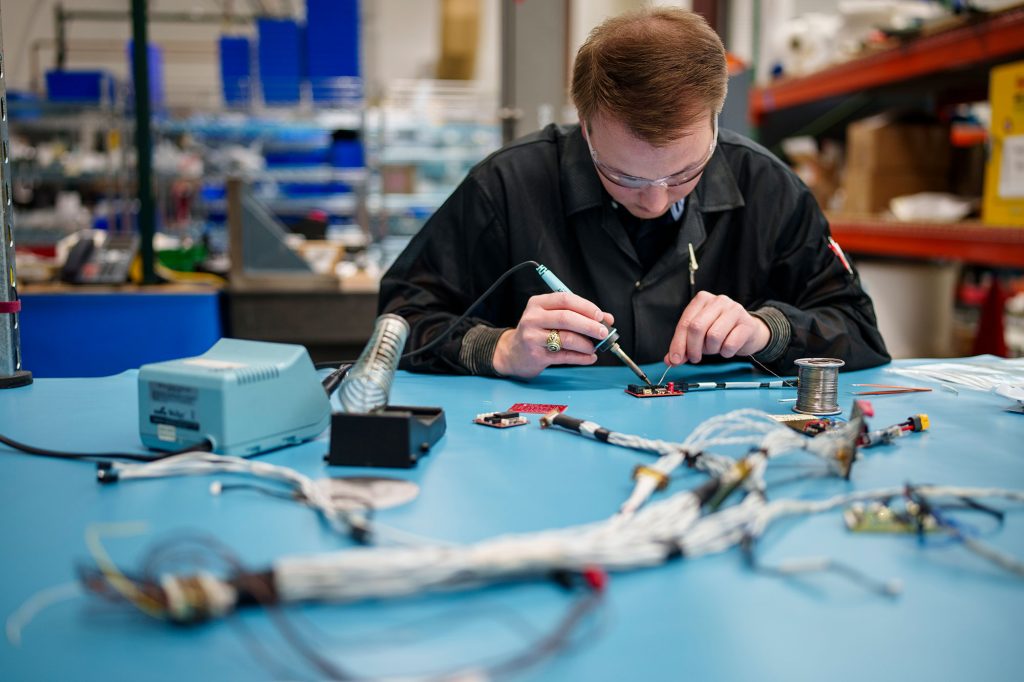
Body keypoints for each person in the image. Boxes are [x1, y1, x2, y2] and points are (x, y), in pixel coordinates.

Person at [378, 7, 889, 379]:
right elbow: (400, 323)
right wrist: (498, 347)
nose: (656, 202)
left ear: (715, 124)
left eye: (685, 173)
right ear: (586, 128)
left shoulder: (769, 188)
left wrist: (768, 331)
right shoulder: (506, 187)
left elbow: (859, 330)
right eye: (624, 177)